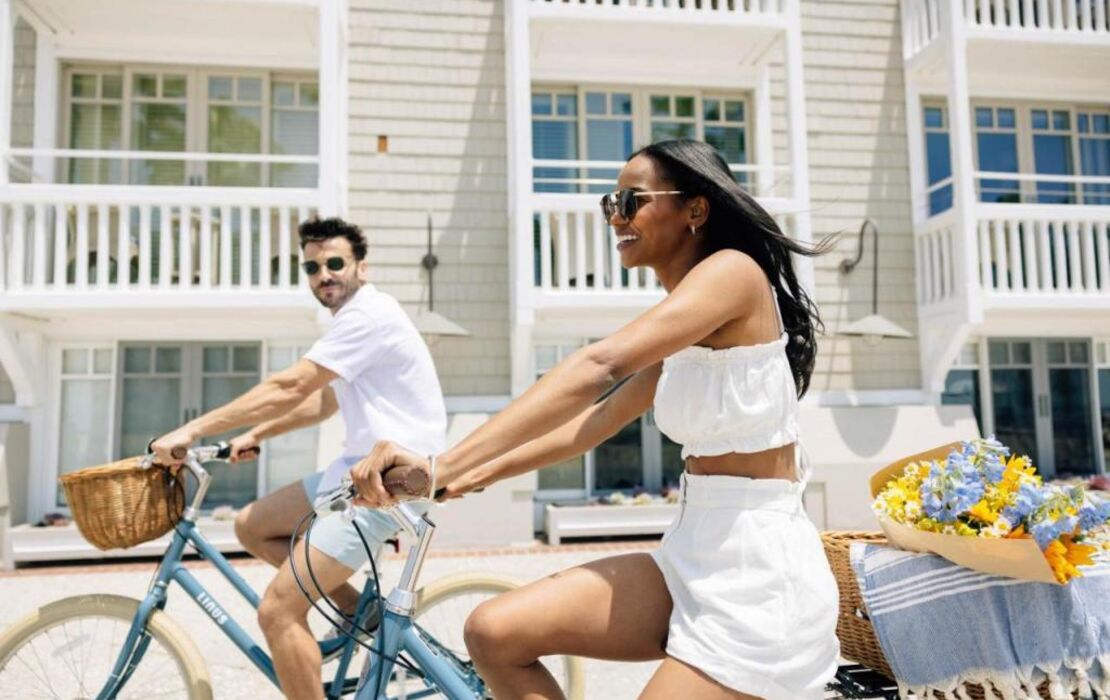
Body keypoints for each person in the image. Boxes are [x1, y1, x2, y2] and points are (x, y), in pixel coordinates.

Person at [351, 139, 841, 700]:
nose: (616, 217)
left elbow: (600, 367)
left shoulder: (733, 273)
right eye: (610, 203)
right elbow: (598, 421)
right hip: (691, 553)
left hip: (761, 576)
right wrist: (464, 476)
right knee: (494, 632)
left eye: (631, 201)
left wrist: (443, 463)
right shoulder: (686, 326)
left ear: (695, 209)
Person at [150, 217, 446, 700]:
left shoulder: (367, 316)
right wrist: (256, 433)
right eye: (312, 267)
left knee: (278, 611)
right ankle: (355, 608)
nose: (323, 275)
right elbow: (323, 401)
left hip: (387, 484)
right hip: (355, 471)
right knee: (252, 526)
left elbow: (291, 386)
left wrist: (192, 429)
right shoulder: (352, 320)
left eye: (335, 263)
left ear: (361, 267)